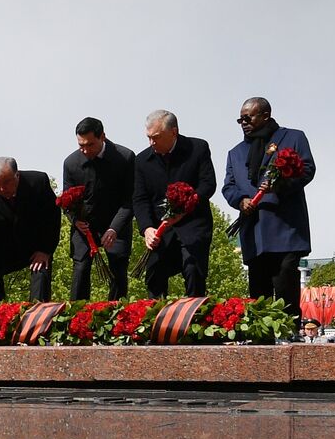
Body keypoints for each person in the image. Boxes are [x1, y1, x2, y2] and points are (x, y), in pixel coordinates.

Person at [222, 97, 315, 320]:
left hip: (286, 226)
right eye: (240, 119)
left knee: (285, 281)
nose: (243, 122)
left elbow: (307, 169)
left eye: (248, 117)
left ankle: (290, 328)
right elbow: (229, 186)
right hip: (254, 228)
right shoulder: (235, 152)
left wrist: (280, 185)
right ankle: (262, 336)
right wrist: (240, 200)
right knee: (258, 289)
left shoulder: (292, 137)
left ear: (265, 115)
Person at [132, 109, 218, 297]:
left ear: (173, 132)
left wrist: (187, 205)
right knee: (154, 274)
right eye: (148, 137)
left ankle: (194, 318)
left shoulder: (198, 148)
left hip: (193, 223)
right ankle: (155, 321)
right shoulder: (142, 160)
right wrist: (147, 229)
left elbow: (208, 184)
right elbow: (140, 199)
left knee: (193, 270)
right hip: (161, 229)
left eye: (156, 137)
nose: (151, 143)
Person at [61, 116, 135, 299]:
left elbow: (131, 199)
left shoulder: (125, 158)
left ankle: (116, 313)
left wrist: (114, 228)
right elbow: (66, 201)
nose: (85, 150)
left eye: (90, 145)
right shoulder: (71, 163)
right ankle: (77, 314)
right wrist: (75, 220)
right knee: (81, 266)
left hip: (116, 223)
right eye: (81, 145)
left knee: (118, 266)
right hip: (84, 225)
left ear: (103, 136)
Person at [0, 157, 60, 301]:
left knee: (41, 270)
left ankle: (37, 314)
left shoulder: (38, 182)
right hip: (3, 246)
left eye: (6, 182)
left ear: (17, 175)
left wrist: (45, 250)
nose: (2, 189)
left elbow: (52, 217)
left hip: (35, 244)